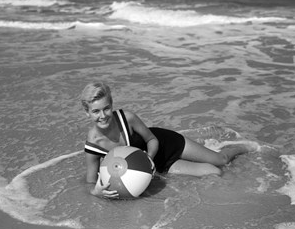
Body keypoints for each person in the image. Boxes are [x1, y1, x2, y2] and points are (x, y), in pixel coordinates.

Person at [81, 82, 259, 199]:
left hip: (165, 144)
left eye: (106, 109)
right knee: (215, 172)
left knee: (221, 161)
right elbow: (90, 182)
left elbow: (151, 139)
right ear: (87, 112)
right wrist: (97, 192)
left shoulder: (126, 118)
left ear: (111, 106)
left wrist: (147, 158)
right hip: (158, 167)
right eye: (96, 111)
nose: (103, 116)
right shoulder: (93, 144)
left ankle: (244, 147)